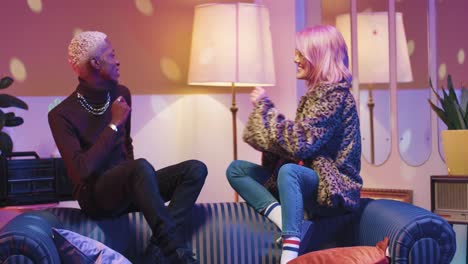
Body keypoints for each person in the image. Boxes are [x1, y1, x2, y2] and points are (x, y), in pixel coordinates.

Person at [48, 31, 207, 264]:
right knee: (140, 168)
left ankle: (154, 252)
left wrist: (136, 181)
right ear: (95, 62)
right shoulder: (61, 115)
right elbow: (80, 171)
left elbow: (126, 143)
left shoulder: (121, 93)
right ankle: (178, 255)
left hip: (128, 186)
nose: (118, 60)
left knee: (195, 170)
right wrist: (113, 124)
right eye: (111, 55)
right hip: (97, 198)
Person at [226, 25, 362, 264]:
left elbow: (300, 144)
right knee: (236, 170)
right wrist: (266, 116)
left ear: (319, 56)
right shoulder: (315, 95)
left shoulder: (335, 96)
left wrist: (266, 110)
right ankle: (284, 218)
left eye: (301, 53)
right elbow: (291, 145)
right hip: (312, 180)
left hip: (333, 188)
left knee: (290, 171)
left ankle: (290, 252)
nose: (295, 59)